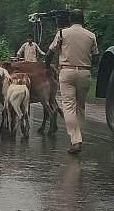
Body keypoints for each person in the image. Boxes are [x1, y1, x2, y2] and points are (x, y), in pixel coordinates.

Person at [46, 9, 98, 155]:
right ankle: (78, 135)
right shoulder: (91, 35)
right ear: (83, 20)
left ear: (70, 20)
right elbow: (96, 56)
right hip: (85, 72)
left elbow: (51, 52)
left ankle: (76, 140)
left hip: (67, 72)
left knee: (68, 106)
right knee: (80, 107)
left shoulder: (63, 33)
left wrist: (46, 67)